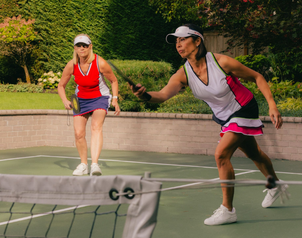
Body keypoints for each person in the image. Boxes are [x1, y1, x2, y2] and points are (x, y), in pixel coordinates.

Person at [131, 24, 289, 225]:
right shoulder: (183, 73)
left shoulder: (221, 62)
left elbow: (256, 76)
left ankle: (228, 210)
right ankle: (275, 185)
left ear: (197, 41)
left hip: (243, 108)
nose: (178, 45)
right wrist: (144, 95)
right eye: (176, 41)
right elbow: (162, 95)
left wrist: (272, 105)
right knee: (253, 153)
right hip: (224, 117)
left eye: (183, 39)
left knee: (221, 154)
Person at [58, 34, 120, 177]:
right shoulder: (71, 65)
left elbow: (114, 81)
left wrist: (115, 99)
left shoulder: (100, 63)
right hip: (79, 99)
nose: (82, 48)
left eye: (85, 45)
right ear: (75, 48)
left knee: (95, 127)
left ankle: (95, 165)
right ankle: (83, 164)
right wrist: (64, 100)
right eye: (78, 45)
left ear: (90, 47)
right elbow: (61, 85)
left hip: (100, 97)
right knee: (78, 133)